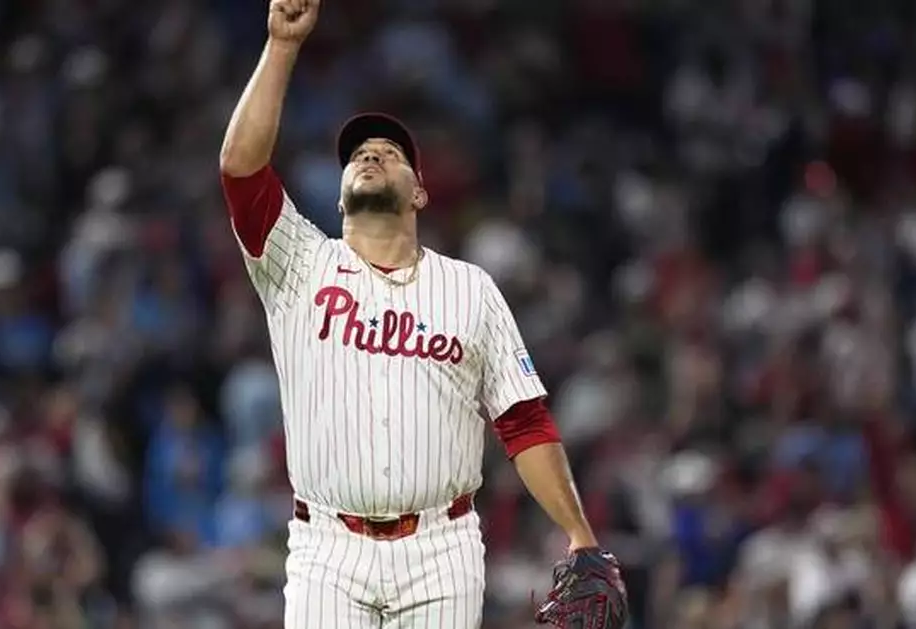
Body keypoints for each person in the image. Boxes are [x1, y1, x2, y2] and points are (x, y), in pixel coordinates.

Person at [217, 0, 625, 626]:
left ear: (420, 192)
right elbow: (241, 170)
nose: (371, 156)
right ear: (340, 192)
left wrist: (580, 535)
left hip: (442, 548)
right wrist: (281, 47)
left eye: (389, 153)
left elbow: (524, 421)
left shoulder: (470, 289)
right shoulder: (297, 262)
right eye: (358, 155)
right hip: (328, 548)